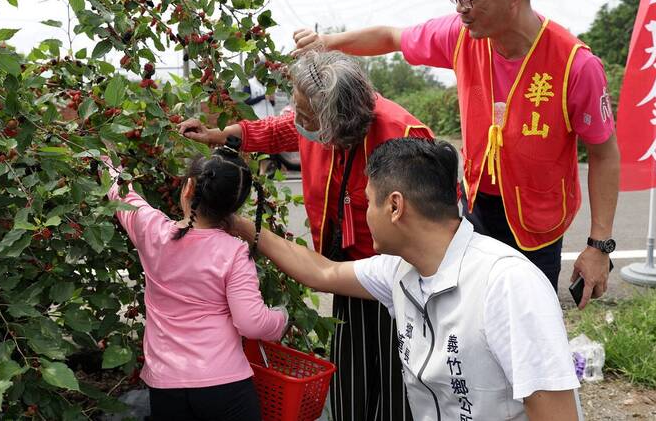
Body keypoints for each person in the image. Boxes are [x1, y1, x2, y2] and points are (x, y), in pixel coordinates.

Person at [293, 0, 620, 309]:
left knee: (525, 322)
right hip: (473, 209)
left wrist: (599, 245)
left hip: (536, 224)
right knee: (469, 320)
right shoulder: (462, 36)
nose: (459, 8)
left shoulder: (575, 66)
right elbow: (390, 37)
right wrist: (328, 43)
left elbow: (604, 153)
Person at [227, 138, 582, 421]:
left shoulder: (507, 283)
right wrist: (243, 227)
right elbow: (322, 272)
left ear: (395, 207)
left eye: (367, 203)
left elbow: (555, 411)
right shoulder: (399, 269)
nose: (365, 216)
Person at [179, 51, 433, 421]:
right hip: (348, 269)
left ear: (335, 121)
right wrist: (222, 135)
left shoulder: (404, 137)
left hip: (400, 277)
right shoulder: (313, 119)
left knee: (399, 380)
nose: (296, 120)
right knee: (353, 371)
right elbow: (280, 129)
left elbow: (432, 226)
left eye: (305, 114)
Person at [103, 138, 288, 421]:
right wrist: (280, 318)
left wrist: (103, 157)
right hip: (225, 385)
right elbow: (251, 322)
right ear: (234, 207)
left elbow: (120, 193)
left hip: (167, 385)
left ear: (188, 187)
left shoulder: (152, 231)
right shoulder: (234, 252)